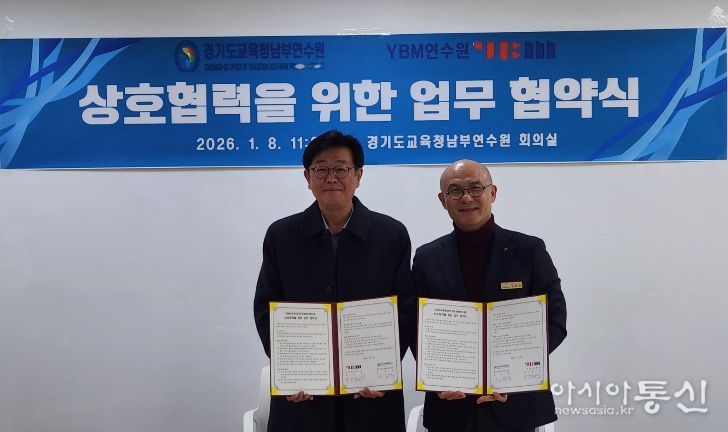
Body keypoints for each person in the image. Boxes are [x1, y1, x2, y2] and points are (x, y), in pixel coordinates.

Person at [253, 130, 414, 432]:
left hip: (372, 397)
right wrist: (291, 371)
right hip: (303, 398)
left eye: (341, 169)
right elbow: (266, 308)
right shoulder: (281, 235)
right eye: (321, 170)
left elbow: (405, 309)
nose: (331, 178)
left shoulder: (391, 235)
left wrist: (383, 370)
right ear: (307, 177)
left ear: (358, 175)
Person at [412, 160, 567, 432]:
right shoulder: (427, 257)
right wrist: (437, 378)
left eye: (476, 188)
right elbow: (415, 326)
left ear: (492, 193)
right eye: (455, 190)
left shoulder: (528, 250)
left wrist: (513, 375)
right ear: (443, 200)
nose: (467, 198)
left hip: (514, 405)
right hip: (451, 407)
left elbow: (554, 321)